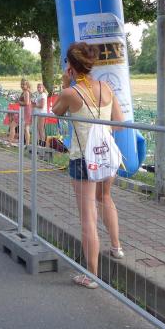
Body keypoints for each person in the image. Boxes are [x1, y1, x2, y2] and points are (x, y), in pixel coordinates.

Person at [51, 42, 123, 289]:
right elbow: (119, 122)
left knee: (88, 217)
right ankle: (116, 247)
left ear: (70, 65)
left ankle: (91, 275)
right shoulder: (107, 87)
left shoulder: (71, 93)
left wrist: (65, 84)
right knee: (106, 198)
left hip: (83, 158)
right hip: (107, 155)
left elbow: (56, 112)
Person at [7, 79, 32, 146]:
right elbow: (23, 102)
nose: (22, 86)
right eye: (21, 84)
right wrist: (16, 101)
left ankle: (10, 143)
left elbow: (26, 103)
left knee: (22, 128)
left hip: (25, 112)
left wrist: (18, 101)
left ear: (27, 85)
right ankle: (26, 144)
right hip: (23, 111)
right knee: (23, 128)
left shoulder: (26, 92)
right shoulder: (24, 92)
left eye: (24, 84)